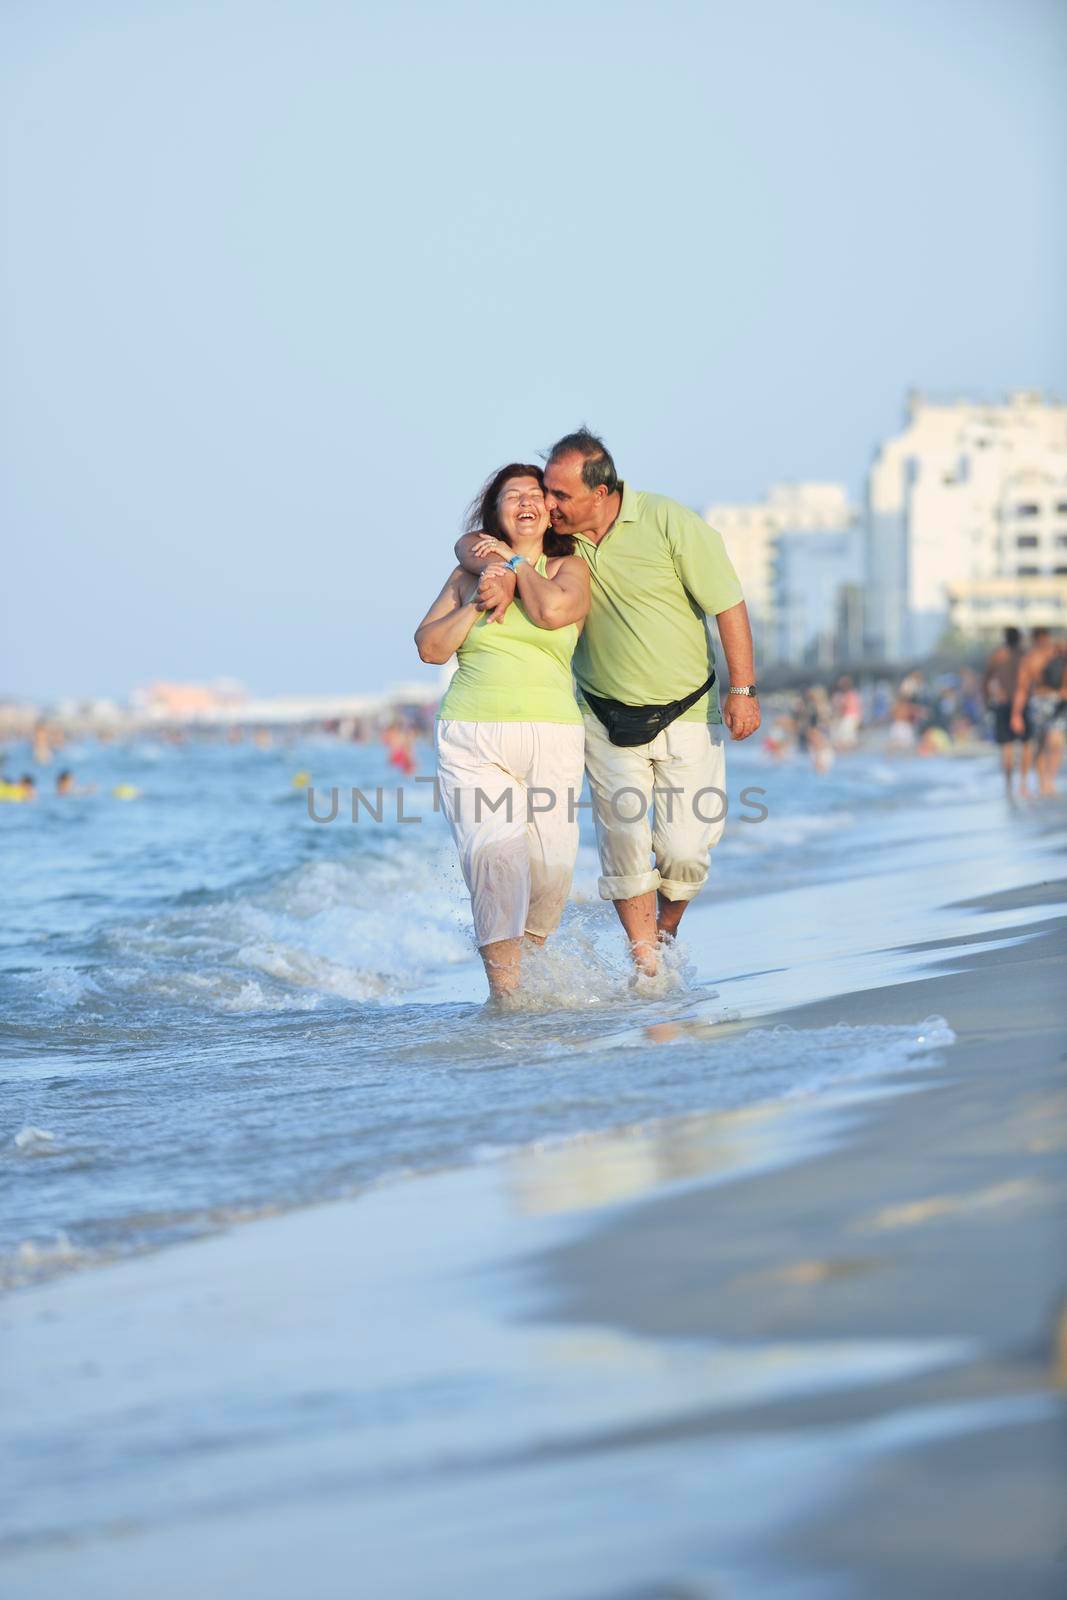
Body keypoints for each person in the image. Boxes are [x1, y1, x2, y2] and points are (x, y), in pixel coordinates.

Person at [456, 429, 758, 977]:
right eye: (546, 492)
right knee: (623, 847)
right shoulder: (561, 543)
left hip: (688, 709)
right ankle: (646, 965)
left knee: (686, 852)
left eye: (560, 495)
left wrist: (743, 688)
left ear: (602, 491)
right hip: (603, 715)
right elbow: (474, 541)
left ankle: (664, 930)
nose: (549, 504)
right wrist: (495, 560)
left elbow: (728, 604)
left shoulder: (670, 523)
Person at [416, 463, 590, 998]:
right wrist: (477, 601)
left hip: (554, 734)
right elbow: (430, 647)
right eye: (510, 496)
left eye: (534, 494)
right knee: (496, 862)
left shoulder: (569, 568)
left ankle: (532, 968)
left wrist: (514, 568)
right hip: (473, 735)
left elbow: (555, 612)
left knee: (551, 870)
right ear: (495, 514)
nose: (524, 502)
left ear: (550, 510)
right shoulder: (468, 576)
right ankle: (507, 997)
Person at [983, 627, 1031, 797]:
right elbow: (1027, 682)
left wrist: (987, 702)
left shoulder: (997, 656)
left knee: (1006, 747)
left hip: (1001, 703)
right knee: (1026, 745)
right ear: (1019, 638)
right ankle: (1023, 784)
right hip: (1023, 703)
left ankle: (1009, 786)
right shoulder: (1025, 655)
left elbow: (986, 681)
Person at [1011, 628, 1058, 798]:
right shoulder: (1029, 660)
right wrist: (1016, 714)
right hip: (1038, 701)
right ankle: (1028, 783)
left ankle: (1048, 781)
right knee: (1035, 744)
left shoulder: (1057, 652)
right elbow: (1022, 688)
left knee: (1055, 743)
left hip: (1057, 701)